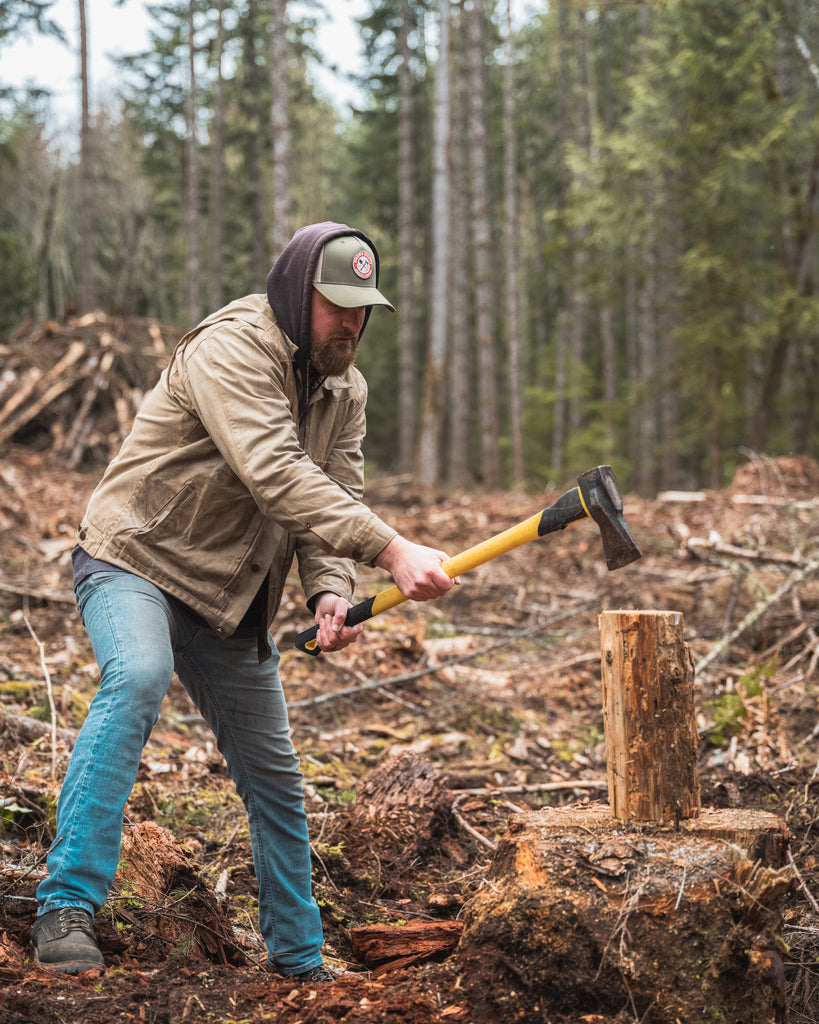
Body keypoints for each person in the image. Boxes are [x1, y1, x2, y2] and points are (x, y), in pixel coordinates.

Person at [31, 222, 456, 980]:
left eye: (364, 310)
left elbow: (334, 493)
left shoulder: (343, 388)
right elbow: (277, 473)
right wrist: (391, 549)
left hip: (230, 599)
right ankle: (66, 904)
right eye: (337, 307)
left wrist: (332, 588)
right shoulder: (232, 347)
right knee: (137, 678)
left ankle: (297, 957)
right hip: (136, 561)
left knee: (275, 778)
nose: (351, 325)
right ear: (298, 294)